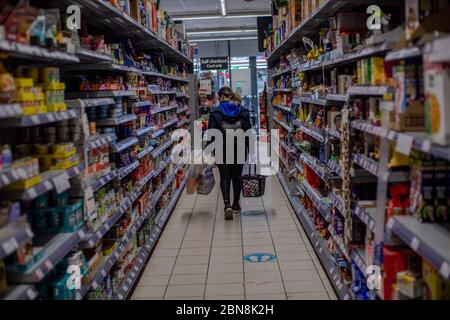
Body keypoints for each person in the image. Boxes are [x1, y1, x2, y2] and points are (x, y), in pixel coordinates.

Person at [207, 86, 251, 220]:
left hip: (222, 148)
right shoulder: (242, 110)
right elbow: (248, 130)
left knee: (225, 177)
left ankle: (227, 205)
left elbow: (211, 133)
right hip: (239, 147)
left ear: (221, 96)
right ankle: (236, 204)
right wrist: (249, 148)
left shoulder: (215, 112)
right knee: (237, 177)